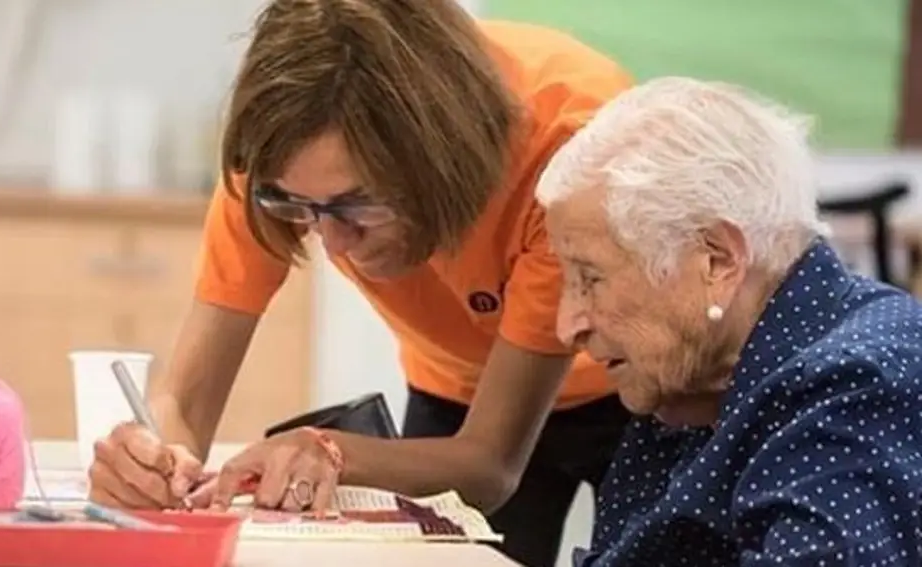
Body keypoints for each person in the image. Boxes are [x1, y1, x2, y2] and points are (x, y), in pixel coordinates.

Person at [88, 1, 635, 566]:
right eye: (302, 208)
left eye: (359, 206)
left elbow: (492, 463)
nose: (334, 244)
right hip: (457, 389)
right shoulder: (279, 161)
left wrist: (330, 448)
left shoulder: (563, 156)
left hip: (633, 388)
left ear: (441, 158)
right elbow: (184, 401)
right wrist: (155, 461)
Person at [533, 75, 922, 566]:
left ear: (717, 261)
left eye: (589, 278)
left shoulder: (860, 386)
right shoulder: (697, 380)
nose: (568, 326)